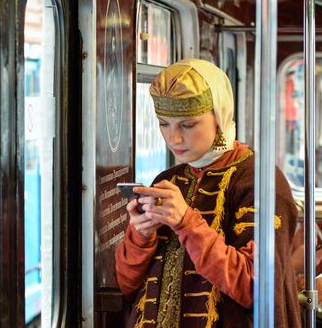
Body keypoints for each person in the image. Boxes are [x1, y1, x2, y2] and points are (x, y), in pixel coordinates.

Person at [114, 58, 301, 328]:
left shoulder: (260, 181)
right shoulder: (169, 180)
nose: (173, 139)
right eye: (164, 123)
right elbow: (128, 286)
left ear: (220, 115)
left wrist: (186, 223)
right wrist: (141, 236)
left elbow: (256, 289)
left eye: (188, 125)